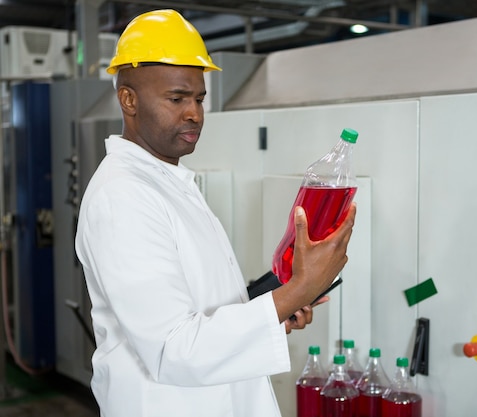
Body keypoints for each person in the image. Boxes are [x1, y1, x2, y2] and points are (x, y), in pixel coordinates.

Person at [74, 9, 356, 417]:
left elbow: (199, 302)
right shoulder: (123, 196)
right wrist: (296, 291)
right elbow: (174, 349)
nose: (194, 113)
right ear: (128, 99)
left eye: (199, 99)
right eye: (176, 99)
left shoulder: (167, 180)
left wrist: (273, 302)